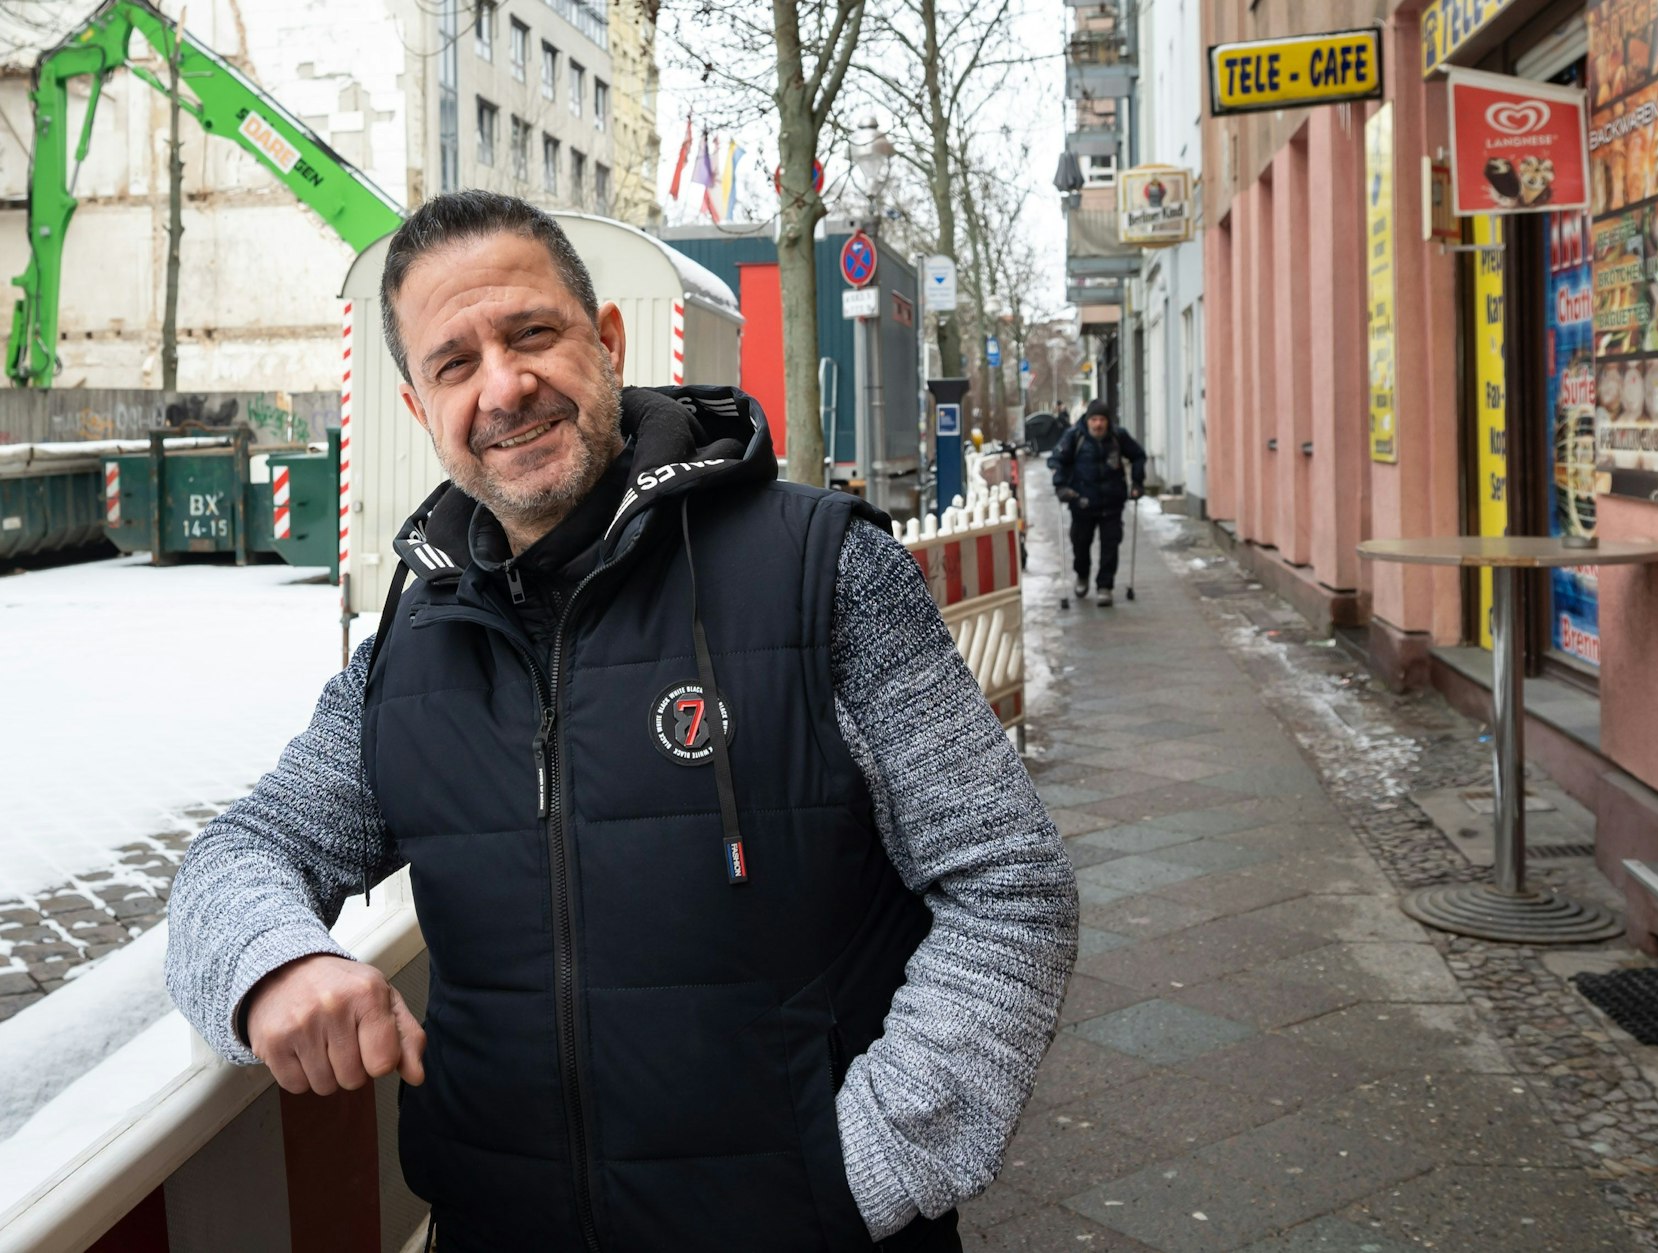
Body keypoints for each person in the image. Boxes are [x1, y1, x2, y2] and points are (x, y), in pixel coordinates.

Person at [163, 191, 1076, 1253]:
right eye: (454, 363)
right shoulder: (410, 653)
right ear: (420, 410)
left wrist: (859, 1176)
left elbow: (1008, 884)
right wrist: (275, 964)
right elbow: (238, 853)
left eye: (531, 332)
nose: (503, 386)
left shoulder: (818, 572)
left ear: (605, 342)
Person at [1049, 398, 1146, 607]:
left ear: (1108, 421)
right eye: (1094, 419)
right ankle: (1082, 575)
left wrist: (1137, 482)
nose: (1098, 424)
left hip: (1112, 502)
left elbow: (1138, 455)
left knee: (1111, 546)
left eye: (1102, 419)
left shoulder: (1118, 437)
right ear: (1088, 420)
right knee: (1080, 545)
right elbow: (1057, 461)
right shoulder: (1074, 436)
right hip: (1082, 502)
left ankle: (1105, 586)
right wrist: (1061, 486)